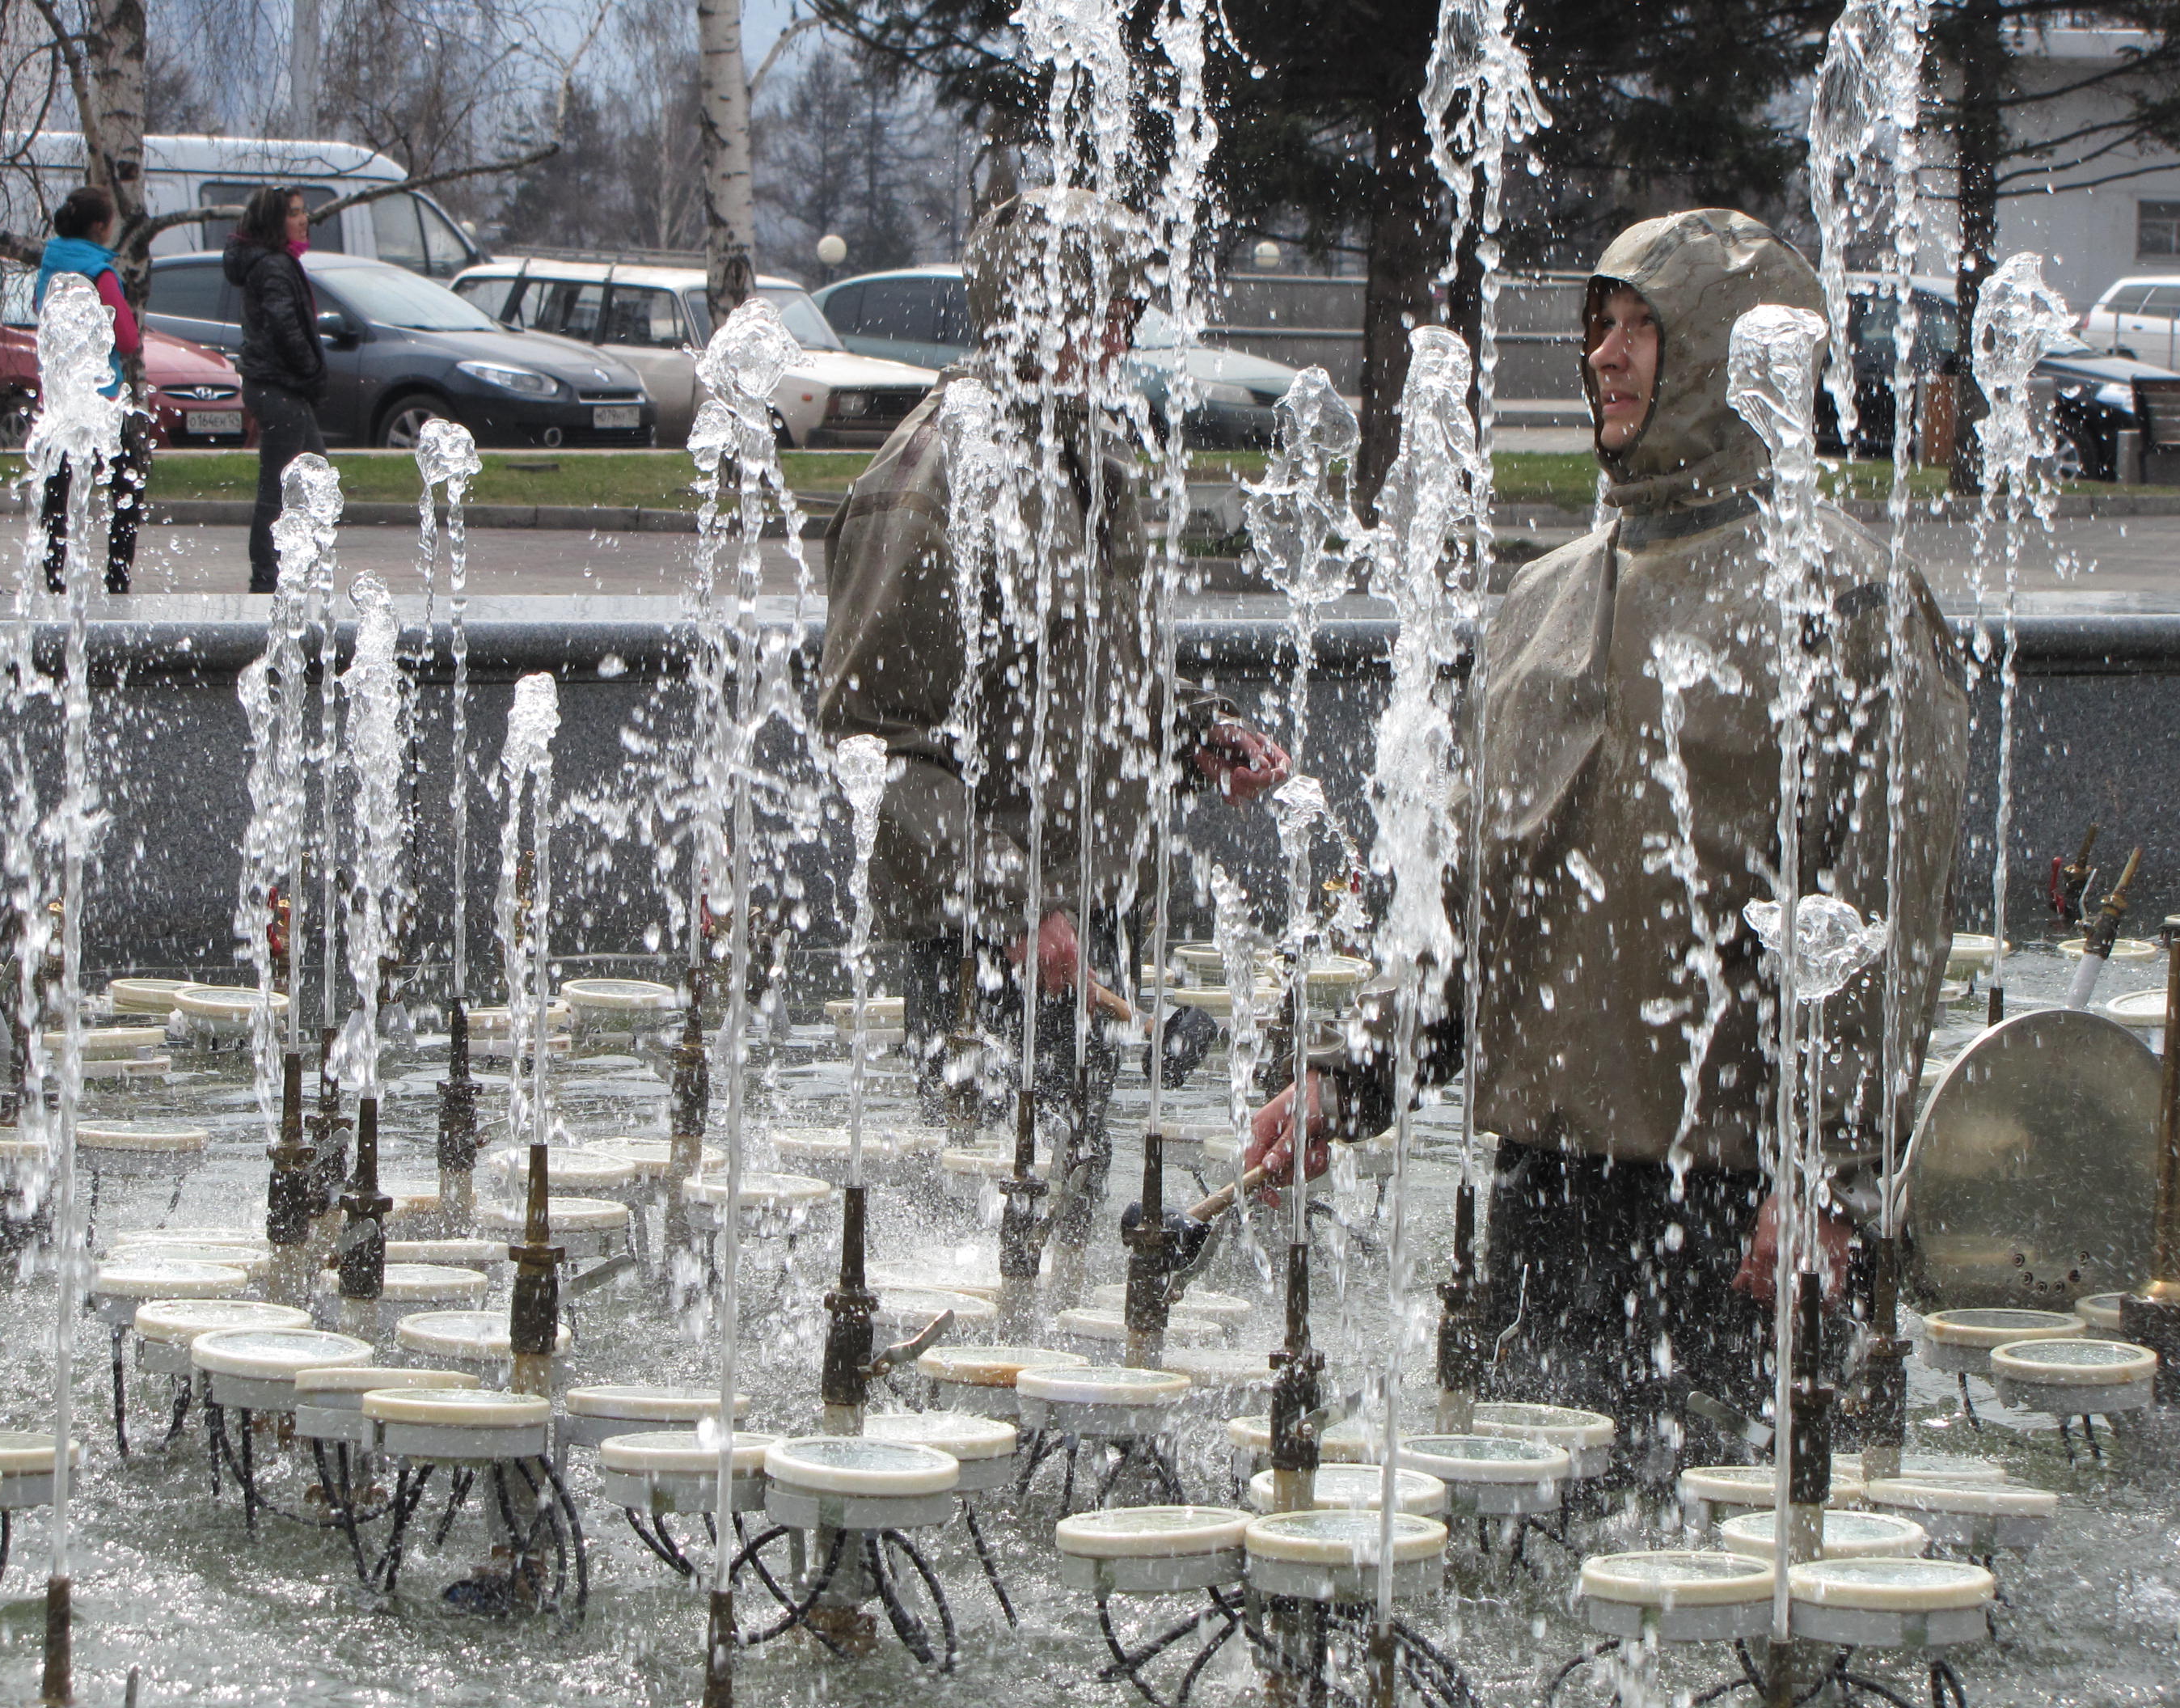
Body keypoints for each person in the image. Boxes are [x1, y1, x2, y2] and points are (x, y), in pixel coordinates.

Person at [1245, 209, 1971, 1482]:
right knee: (1536, 1561)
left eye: (1647, 328)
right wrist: (1342, 1076)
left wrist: (1829, 1179)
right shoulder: (1539, 601)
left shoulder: (1850, 601)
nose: (1608, 358)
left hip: (1742, 1212)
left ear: (1733, 358)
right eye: (1601, 326)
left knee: (1721, 1586)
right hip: (1544, 1190)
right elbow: (1461, 899)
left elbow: (1885, 927)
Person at [819, 188, 1289, 1123]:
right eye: (1097, 317)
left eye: (1124, 319)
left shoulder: (1093, 463)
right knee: (977, 1221)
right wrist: (1011, 904)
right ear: (1028, 308)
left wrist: (1196, 728)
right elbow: (871, 738)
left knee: (1067, 1212)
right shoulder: (939, 475)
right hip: (983, 938)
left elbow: (1095, 673)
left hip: (1082, 914)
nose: (1115, 345)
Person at [35, 184, 145, 593]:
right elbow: (128, 341)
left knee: (56, 491)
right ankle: (117, 577)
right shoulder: (101, 274)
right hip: (101, 400)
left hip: (59, 399)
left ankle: (52, 578)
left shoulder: (51, 264)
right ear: (100, 226)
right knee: (127, 487)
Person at [225, 186, 327, 594]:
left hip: (280, 387)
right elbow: (284, 325)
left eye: (305, 212)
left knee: (314, 477)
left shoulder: (275, 263)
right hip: (279, 387)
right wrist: (311, 368)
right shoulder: (273, 266)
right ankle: (267, 579)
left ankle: (296, 568)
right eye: (296, 213)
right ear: (274, 222)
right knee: (279, 487)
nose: (304, 220)